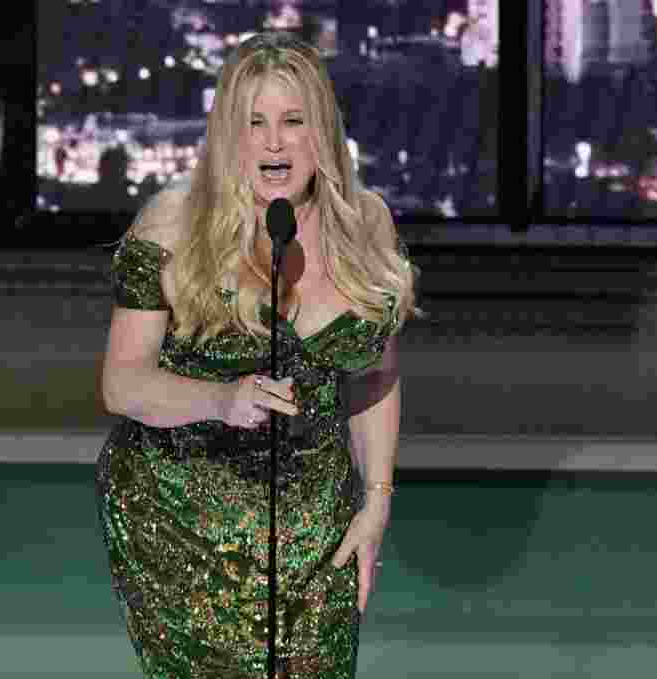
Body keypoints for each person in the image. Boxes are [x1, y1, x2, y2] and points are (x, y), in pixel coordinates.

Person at [95, 31, 422, 679]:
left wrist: (377, 500)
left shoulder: (366, 225)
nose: (274, 143)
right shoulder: (172, 227)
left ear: (321, 130)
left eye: (293, 121)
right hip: (184, 522)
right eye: (255, 123)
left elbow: (376, 375)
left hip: (317, 523)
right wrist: (221, 398)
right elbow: (122, 383)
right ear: (229, 135)